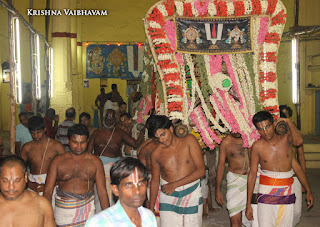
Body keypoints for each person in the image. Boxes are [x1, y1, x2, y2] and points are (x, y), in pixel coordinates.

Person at [246, 111, 314, 227]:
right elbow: (252, 174)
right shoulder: (257, 146)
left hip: (287, 193)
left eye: (267, 126)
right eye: (260, 129)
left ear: (273, 124)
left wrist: (308, 190)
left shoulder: (286, 140)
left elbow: (298, 144)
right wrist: (248, 205)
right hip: (266, 194)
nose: (265, 131)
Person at [43, 124, 109, 226]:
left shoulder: (95, 162)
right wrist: (47, 216)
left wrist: (108, 216)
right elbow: (47, 191)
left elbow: (102, 192)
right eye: (75, 142)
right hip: (63, 213)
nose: (79, 146)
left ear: (87, 142)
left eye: (82, 142)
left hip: (86, 212)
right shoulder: (58, 161)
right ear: (68, 141)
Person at [148, 115, 205, 227]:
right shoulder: (156, 154)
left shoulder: (189, 141)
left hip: (191, 193)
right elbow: (155, 181)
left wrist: (175, 184)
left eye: (163, 135)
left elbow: (201, 171)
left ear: (170, 129)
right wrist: (151, 209)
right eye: (157, 138)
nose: (161, 140)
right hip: (168, 195)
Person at [87, 109, 145, 209]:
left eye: (111, 118)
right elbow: (88, 154)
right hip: (100, 167)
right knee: (101, 195)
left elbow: (135, 144)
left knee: (113, 195)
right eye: (107, 118)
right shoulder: (96, 133)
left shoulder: (118, 133)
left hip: (115, 169)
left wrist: (143, 131)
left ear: (115, 120)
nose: (109, 120)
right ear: (104, 118)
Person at [85, 157, 157, 227]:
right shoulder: (99, 223)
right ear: (115, 189)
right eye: (128, 185)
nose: (137, 191)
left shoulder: (149, 217)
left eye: (140, 183)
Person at [0, 155, 55, 227]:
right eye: (5, 181)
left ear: (25, 177)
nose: (11, 187)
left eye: (17, 181)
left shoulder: (41, 205)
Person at [20, 116, 65, 195]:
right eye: (33, 133)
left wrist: (52, 183)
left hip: (53, 183)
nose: (36, 136)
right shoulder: (27, 148)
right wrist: (29, 183)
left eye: (38, 132)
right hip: (32, 183)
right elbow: (20, 168)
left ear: (44, 129)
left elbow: (65, 168)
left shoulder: (56, 145)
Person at [215, 133, 253, 226]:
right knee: (235, 222)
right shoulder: (226, 142)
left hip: (252, 181)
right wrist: (218, 190)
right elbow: (221, 165)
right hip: (235, 182)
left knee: (254, 220)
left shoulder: (251, 136)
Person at [280, 104, 306, 226]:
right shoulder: (275, 134)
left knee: (296, 212)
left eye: (286, 115)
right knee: (282, 213)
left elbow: (301, 156)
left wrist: (303, 179)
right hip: (280, 177)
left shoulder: (296, 134)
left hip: (295, 176)